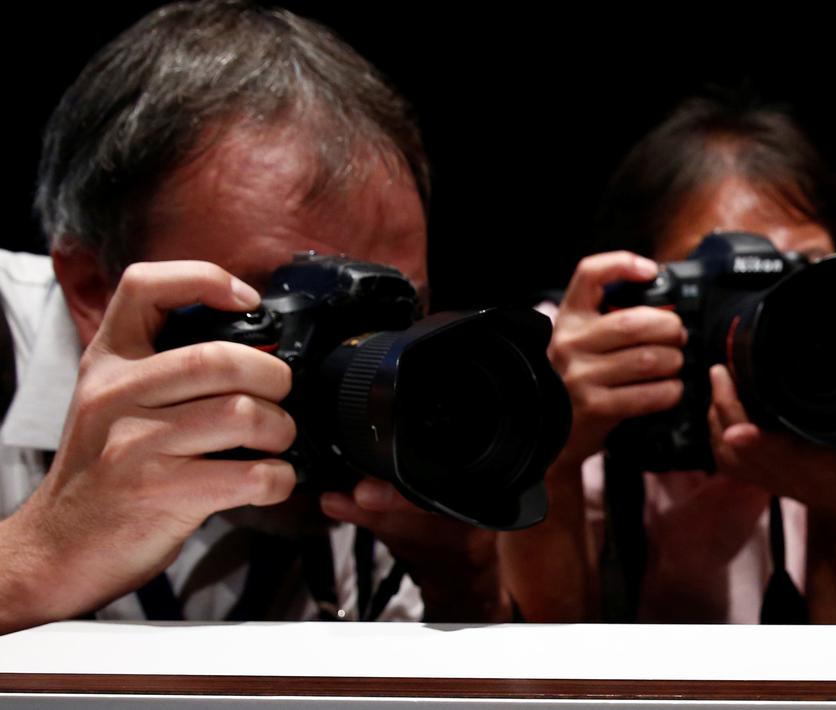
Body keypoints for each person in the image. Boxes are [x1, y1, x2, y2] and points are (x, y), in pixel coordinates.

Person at [0, 0, 510, 634]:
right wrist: (37, 556)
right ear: (93, 289)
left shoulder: (394, 421)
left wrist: (464, 586)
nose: (352, 360)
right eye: (282, 309)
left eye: (393, 310)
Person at [501, 95, 836, 624]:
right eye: (729, 284)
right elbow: (543, 685)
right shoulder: (567, 381)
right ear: (632, 293)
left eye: (802, 274)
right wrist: (547, 457)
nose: (780, 316)